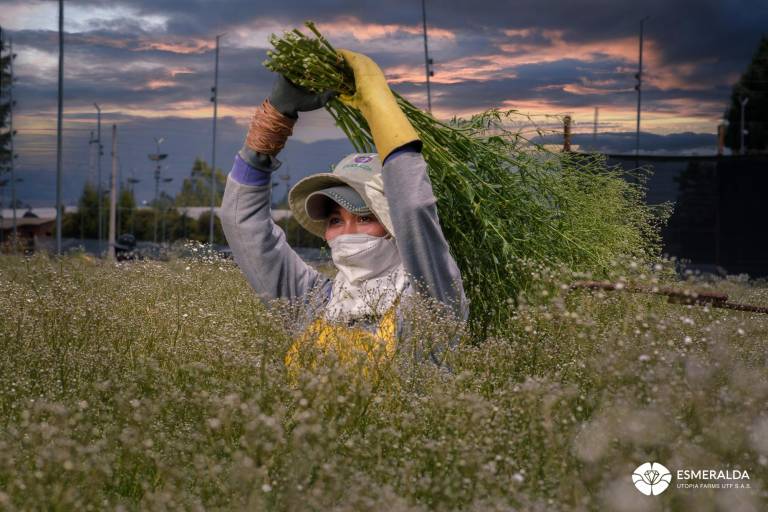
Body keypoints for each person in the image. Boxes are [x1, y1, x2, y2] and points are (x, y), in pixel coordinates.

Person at [220, 49, 467, 368]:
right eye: (336, 220)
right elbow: (241, 224)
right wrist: (275, 119)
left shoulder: (430, 296)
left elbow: (412, 206)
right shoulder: (314, 300)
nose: (347, 233)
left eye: (365, 217)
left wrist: (375, 102)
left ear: (395, 229)